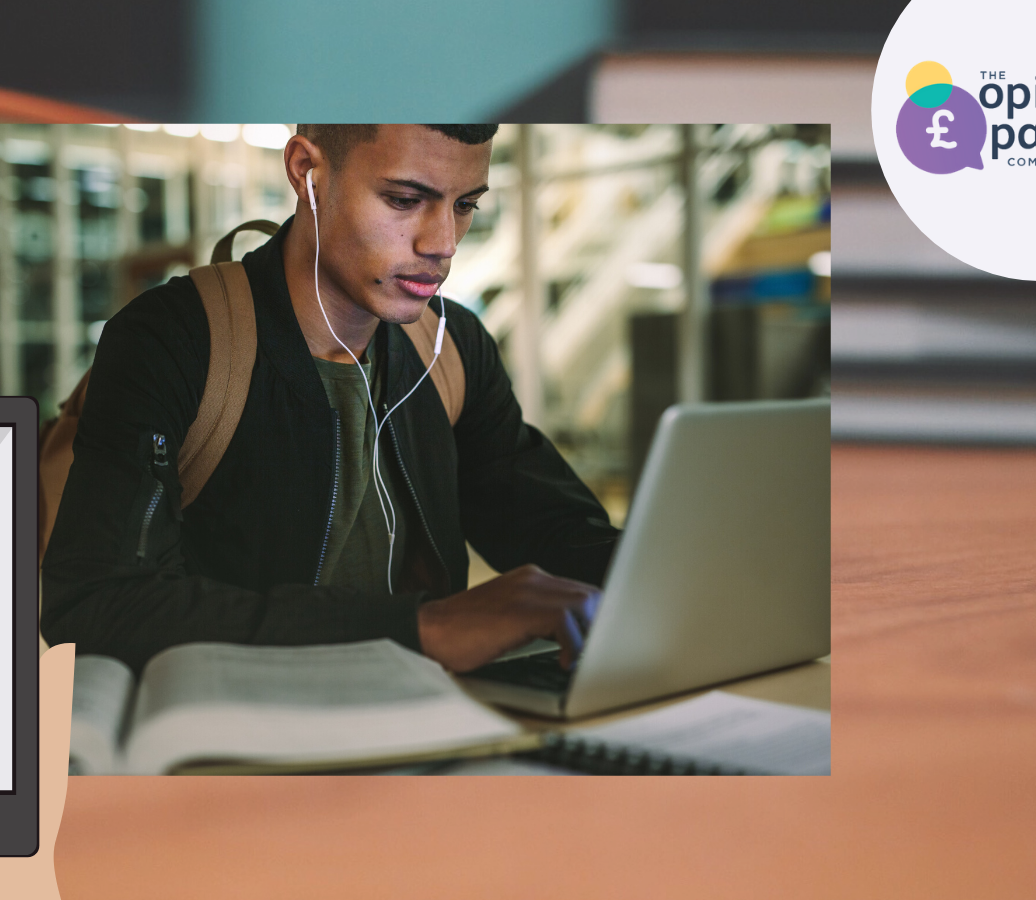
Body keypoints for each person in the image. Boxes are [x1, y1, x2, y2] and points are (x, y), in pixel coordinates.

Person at [41, 124, 618, 674]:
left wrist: (668, 575)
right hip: (240, 742)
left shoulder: (452, 346)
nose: (442, 244)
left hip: (429, 728)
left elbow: (556, 530)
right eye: (403, 199)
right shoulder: (174, 339)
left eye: (464, 205)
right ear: (306, 172)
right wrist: (414, 628)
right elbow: (98, 602)